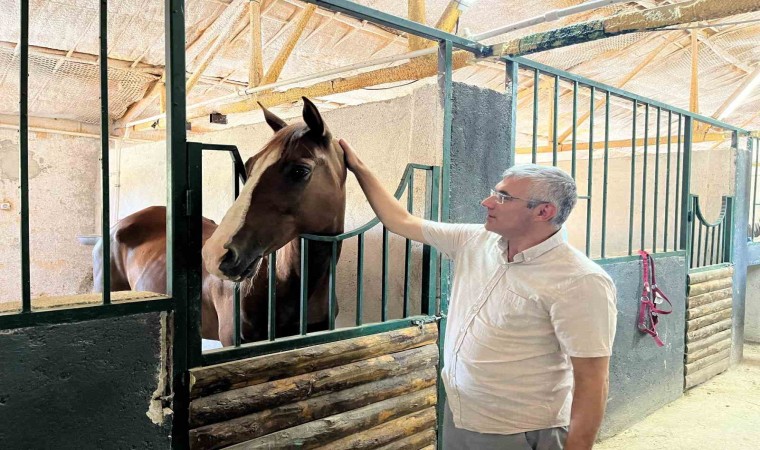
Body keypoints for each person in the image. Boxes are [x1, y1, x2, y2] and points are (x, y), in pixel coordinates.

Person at [339, 138, 618, 450]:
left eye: (503, 197)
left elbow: (593, 379)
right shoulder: (475, 241)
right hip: (462, 416)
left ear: (543, 211)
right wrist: (357, 167)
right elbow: (400, 221)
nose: (487, 203)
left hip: (521, 431)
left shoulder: (580, 280)